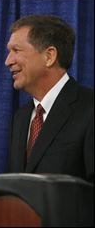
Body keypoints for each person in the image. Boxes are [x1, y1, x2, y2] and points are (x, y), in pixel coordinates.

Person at [5, 15, 94, 182]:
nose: (8, 61)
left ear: (49, 56)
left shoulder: (89, 108)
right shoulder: (20, 118)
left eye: (16, 50)